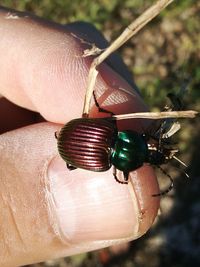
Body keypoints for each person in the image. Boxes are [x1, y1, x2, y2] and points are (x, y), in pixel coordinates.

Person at [0, 6, 159, 266]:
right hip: (70, 144)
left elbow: (108, 120)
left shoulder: (110, 132)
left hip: (72, 137)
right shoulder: (106, 158)